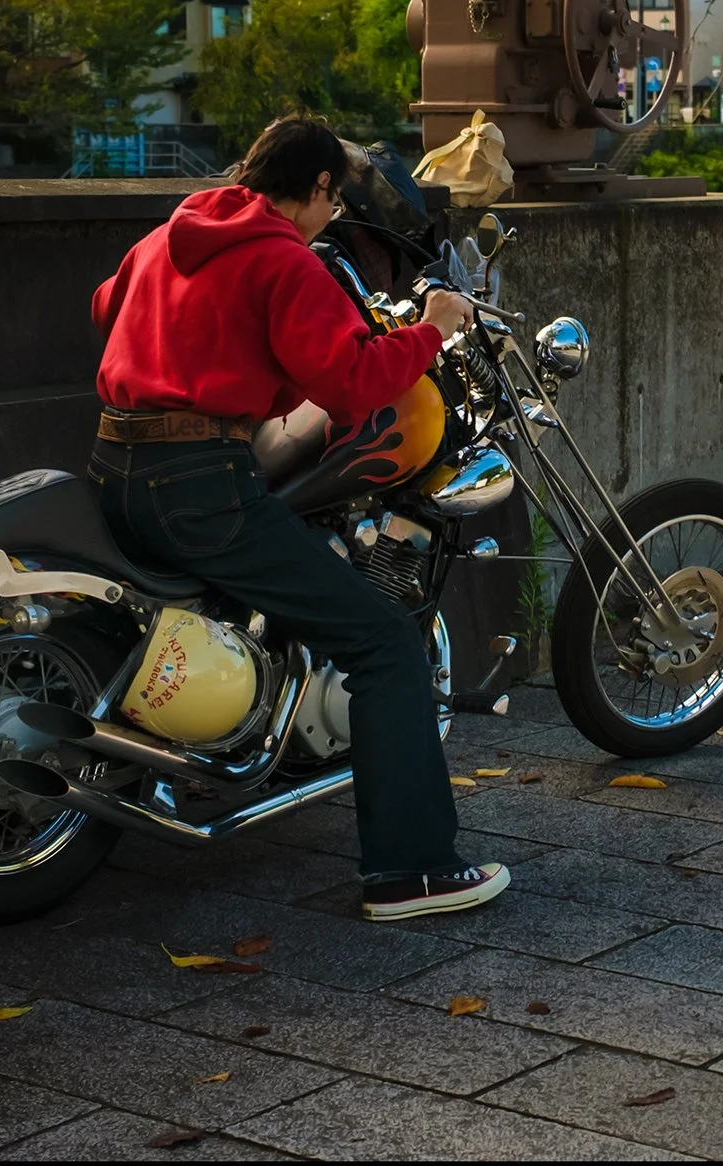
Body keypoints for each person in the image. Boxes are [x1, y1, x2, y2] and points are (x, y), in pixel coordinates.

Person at [85, 115, 507, 921]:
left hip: (116, 465)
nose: (336, 215)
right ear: (315, 189)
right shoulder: (283, 258)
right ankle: (410, 871)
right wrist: (430, 330)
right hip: (200, 482)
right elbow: (351, 383)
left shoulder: (167, 236)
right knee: (384, 642)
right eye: (335, 201)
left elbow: (106, 308)